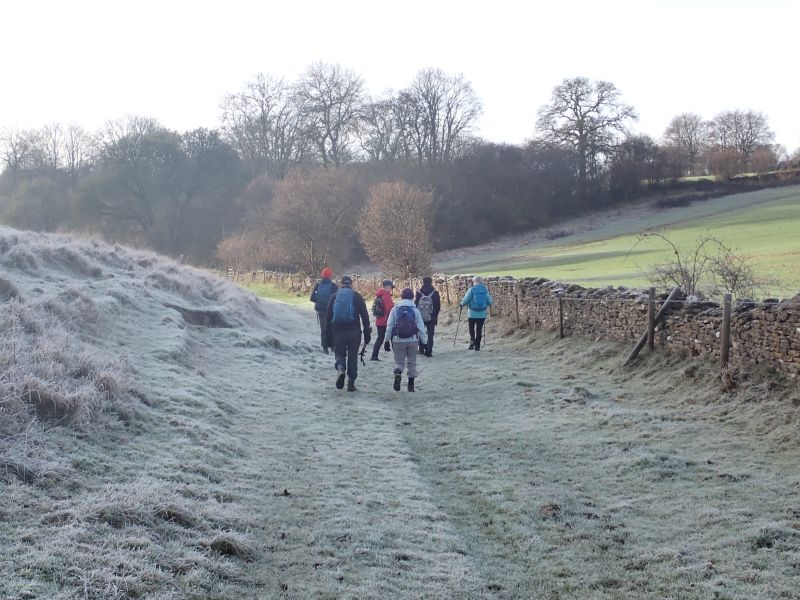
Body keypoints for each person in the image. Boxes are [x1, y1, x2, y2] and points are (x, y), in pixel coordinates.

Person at [324, 275, 371, 392]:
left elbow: (328, 318)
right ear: (351, 284)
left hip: (338, 331)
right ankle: (351, 384)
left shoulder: (334, 297)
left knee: (339, 354)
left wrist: (327, 338)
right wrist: (367, 333)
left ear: (340, 284)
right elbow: (365, 316)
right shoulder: (357, 297)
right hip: (354, 332)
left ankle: (341, 369)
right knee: (353, 357)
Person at [385, 288, 428, 392]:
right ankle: (411, 386)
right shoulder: (415, 310)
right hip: (413, 340)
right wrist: (425, 342)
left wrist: (386, 340)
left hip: (398, 340)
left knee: (399, 362)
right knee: (412, 362)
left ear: (401, 296)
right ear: (412, 297)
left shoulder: (395, 309)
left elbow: (389, 326)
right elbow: (421, 327)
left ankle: (398, 372)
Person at [459, 275, 493, 351]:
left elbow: (466, 300)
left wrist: (461, 304)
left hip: (471, 313)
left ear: (475, 281)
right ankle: (477, 346)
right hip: (482, 314)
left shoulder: (471, 290)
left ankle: (472, 341)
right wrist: (484, 304)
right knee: (479, 330)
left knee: (471, 328)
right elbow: (490, 302)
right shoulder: (485, 290)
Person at [310, 267, 337, 353]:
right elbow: (337, 298)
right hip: (331, 310)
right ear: (330, 276)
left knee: (323, 328)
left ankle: (324, 347)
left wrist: (318, 302)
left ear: (322, 275)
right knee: (332, 327)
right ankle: (333, 346)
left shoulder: (318, 285)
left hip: (321, 310)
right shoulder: (333, 286)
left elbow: (312, 298)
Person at [414, 276, 441, 358]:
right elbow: (438, 306)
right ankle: (429, 351)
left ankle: (421, 349)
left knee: (421, 332)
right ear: (431, 282)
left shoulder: (419, 292)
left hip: (420, 316)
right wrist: (435, 316)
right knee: (430, 334)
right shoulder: (435, 292)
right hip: (431, 316)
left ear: (423, 282)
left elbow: (415, 304)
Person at [370, 279, 395, 361]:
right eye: (391, 287)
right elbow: (390, 310)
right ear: (387, 287)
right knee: (393, 338)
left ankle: (374, 356)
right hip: (386, 321)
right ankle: (397, 356)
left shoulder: (379, 295)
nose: (391, 289)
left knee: (380, 338)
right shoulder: (386, 296)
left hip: (379, 320)